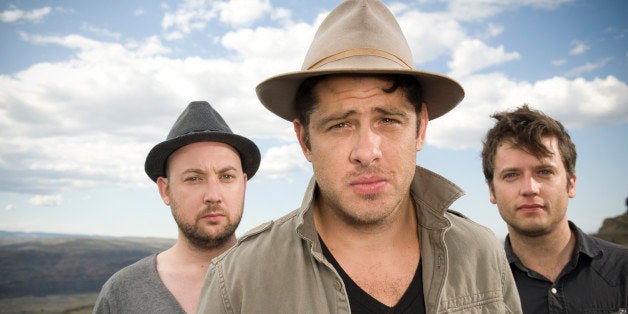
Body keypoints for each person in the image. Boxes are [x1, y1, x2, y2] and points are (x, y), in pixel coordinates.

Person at [197, 1, 521, 313]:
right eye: (340, 124)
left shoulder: (481, 253)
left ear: (420, 128)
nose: (367, 152)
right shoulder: (238, 279)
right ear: (304, 139)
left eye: (388, 120)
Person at [93, 101, 260, 313]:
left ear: (243, 184)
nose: (213, 196)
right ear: (165, 190)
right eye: (193, 179)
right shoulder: (121, 294)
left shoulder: (282, 278)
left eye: (226, 177)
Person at [481, 105, 628, 313]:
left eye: (544, 171)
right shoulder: (476, 291)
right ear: (492, 191)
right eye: (511, 175)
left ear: (571, 184)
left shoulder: (624, 270)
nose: (529, 189)